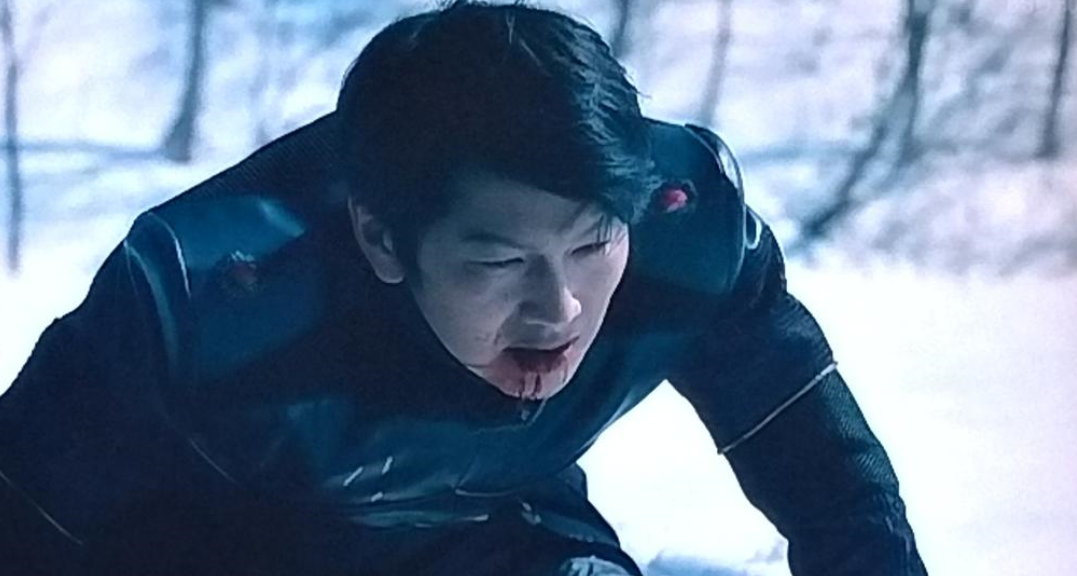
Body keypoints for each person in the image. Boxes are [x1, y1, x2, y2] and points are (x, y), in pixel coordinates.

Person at [0, 2, 928, 574]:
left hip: (495, 538)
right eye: (500, 262)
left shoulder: (683, 234)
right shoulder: (204, 300)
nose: (559, 309)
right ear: (380, 237)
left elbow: (828, 483)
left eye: (592, 244)